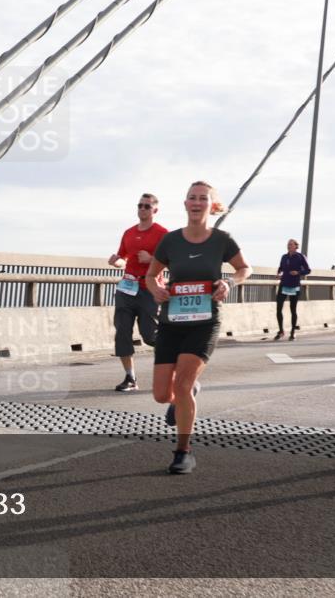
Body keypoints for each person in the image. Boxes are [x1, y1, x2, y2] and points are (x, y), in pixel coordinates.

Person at [145, 181, 251, 474]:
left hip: (204, 323)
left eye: (202, 198)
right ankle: (184, 396)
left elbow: (245, 268)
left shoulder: (221, 239)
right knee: (161, 394)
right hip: (171, 322)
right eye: (191, 197)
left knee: (182, 384)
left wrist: (229, 282)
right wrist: (156, 289)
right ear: (185, 204)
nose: (196, 202)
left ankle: (183, 452)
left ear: (211, 205)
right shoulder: (170, 241)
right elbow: (151, 275)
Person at [108, 193, 168, 392]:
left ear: (155, 210)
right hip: (126, 288)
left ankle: (172, 362)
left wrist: (151, 259)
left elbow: (171, 260)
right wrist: (117, 261)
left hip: (149, 289)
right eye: (140, 205)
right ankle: (130, 378)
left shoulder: (162, 233)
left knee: (150, 335)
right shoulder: (128, 233)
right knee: (122, 333)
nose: (142, 209)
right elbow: (123, 259)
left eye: (147, 206)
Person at [274, 239, 310, 341]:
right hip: (284, 284)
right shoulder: (284, 257)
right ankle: (281, 331)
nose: (289, 246)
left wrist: (298, 272)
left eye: (291, 244)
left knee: (292, 309)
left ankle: (293, 332)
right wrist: (279, 273)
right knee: (278, 308)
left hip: (294, 286)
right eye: (288, 244)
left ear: (296, 246)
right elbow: (281, 268)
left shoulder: (300, 257)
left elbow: (308, 270)